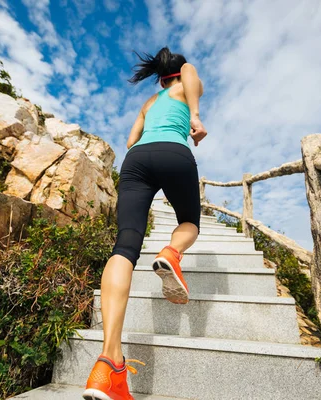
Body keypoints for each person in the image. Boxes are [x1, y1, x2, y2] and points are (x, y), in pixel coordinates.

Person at [82, 47, 207, 400]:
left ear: (159, 76)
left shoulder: (150, 102)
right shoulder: (187, 74)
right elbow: (192, 81)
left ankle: (109, 360)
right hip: (174, 151)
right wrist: (194, 117)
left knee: (125, 245)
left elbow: (129, 140)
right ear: (178, 72)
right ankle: (171, 252)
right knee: (189, 223)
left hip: (136, 160)